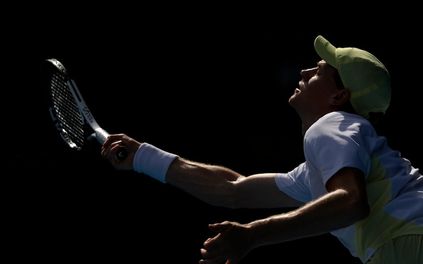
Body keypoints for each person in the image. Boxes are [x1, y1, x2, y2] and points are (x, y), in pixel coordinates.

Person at [101, 35, 423, 264]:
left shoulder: (331, 126)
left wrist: (254, 234)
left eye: (318, 71)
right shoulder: (330, 157)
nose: (304, 73)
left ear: (339, 97)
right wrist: (142, 156)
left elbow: (351, 203)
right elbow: (233, 190)